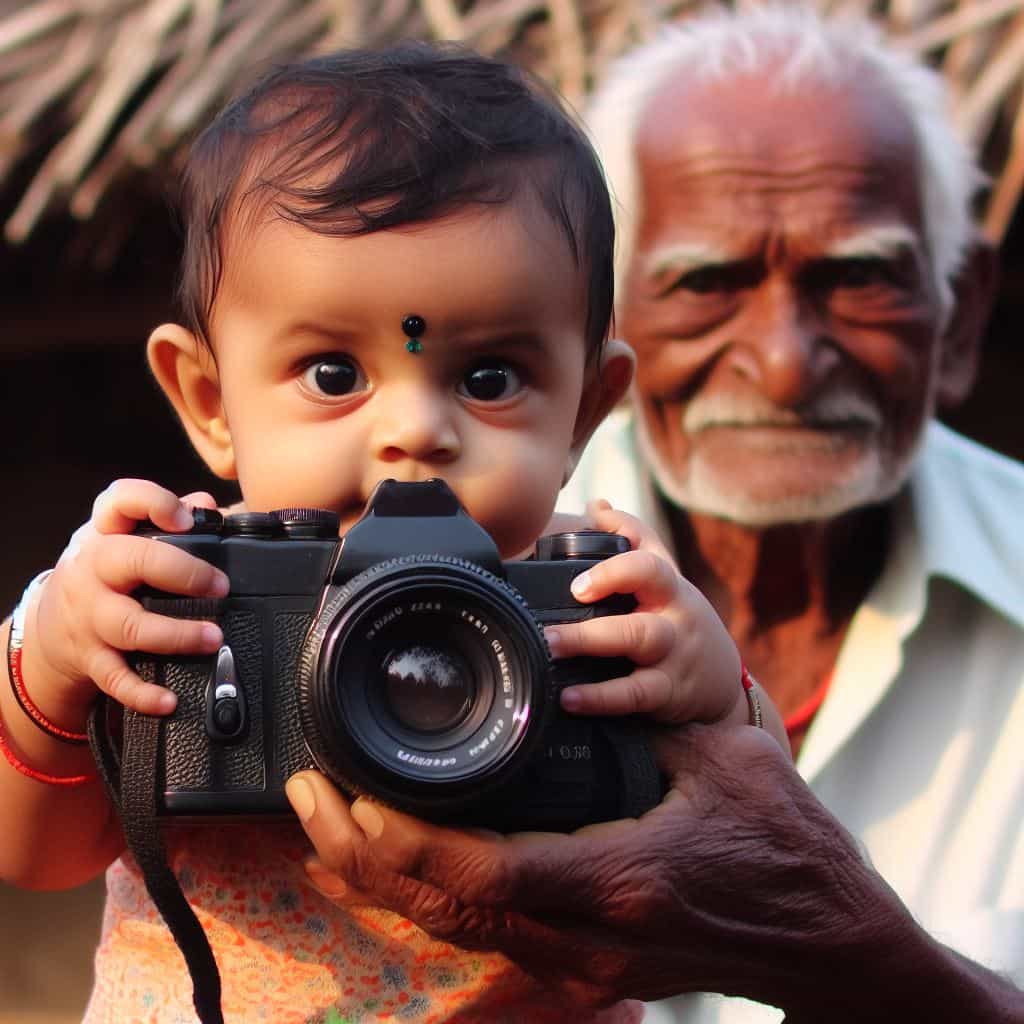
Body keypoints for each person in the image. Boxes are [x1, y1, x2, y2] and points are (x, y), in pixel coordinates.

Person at [0, 42, 789, 1024]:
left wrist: (723, 701)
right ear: (207, 401)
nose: (417, 430)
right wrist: (60, 659)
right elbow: (34, 853)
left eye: (491, 378)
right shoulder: (179, 597)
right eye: (333, 375)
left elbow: (746, 868)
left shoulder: (600, 615)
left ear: (586, 413)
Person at [282, 8, 1024, 1024]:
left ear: (963, 312)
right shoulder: (373, 563)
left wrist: (857, 961)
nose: (783, 365)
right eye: (705, 282)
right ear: (600, 317)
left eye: (857, 277)